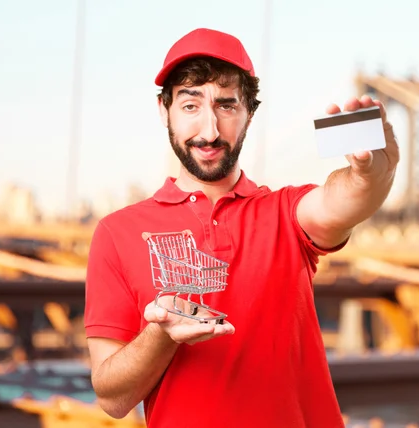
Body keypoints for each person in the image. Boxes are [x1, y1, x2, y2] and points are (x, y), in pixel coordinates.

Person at [84, 27, 399, 428]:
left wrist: (375, 173)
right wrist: (161, 334)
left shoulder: (285, 214)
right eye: (191, 105)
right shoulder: (116, 233)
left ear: (250, 113)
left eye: (227, 106)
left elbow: (347, 197)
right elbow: (112, 398)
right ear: (164, 110)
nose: (210, 130)